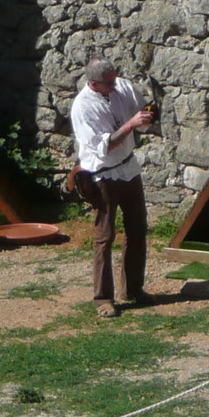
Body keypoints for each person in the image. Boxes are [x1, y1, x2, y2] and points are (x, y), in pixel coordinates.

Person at [70, 57, 155, 317]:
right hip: (102, 175)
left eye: (114, 79)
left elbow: (145, 115)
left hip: (129, 169)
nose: (113, 85)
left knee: (137, 228)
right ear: (94, 84)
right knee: (105, 236)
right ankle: (103, 298)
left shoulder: (122, 87)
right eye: (108, 83)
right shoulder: (82, 107)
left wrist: (150, 113)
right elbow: (104, 146)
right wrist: (131, 124)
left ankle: (132, 290)